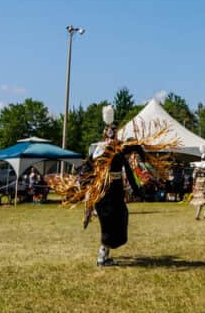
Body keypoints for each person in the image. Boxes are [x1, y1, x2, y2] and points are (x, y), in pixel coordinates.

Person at [50, 110, 174, 267]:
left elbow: (129, 166)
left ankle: (105, 255)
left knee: (119, 219)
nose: (112, 137)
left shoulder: (116, 149)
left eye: (113, 134)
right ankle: (102, 257)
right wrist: (82, 186)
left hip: (113, 192)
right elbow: (88, 168)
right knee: (110, 223)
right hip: (104, 192)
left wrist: (137, 188)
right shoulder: (102, 150)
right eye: (111, 134)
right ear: (107, 135)